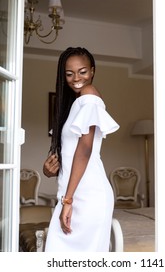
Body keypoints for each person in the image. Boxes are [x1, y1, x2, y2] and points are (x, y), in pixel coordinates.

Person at [43, 47, 119, 252]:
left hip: (87, 196)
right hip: (73, 193)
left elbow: (85, 149)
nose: (76, 78)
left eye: (83, 71)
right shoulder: (74, 104)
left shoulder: (89, 94)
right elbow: (69, 153)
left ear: (92, 71)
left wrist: (68, 200)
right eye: (69, 73)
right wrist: (51, 170)